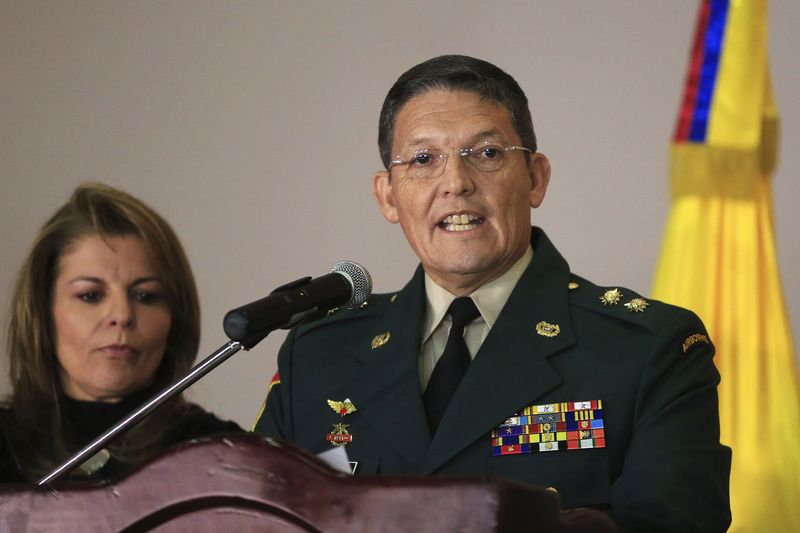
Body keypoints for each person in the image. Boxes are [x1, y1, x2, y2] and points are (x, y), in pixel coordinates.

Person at [253, 55, 731, 532]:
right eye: (422, 159)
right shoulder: (317, 356)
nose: (456, 184)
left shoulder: (648, 349)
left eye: (486, 154)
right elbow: (251, 517)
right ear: (388, 196)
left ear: (536, 179)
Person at [0, 183, 242, 483]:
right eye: (90, 295)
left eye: (145, 296)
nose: (122, 316)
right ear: (42, 312)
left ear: (176, 317)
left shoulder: (225, 454)